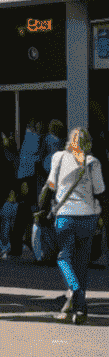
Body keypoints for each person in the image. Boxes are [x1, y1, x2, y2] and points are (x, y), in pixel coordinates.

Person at [42, 127, 105, 323]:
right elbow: (100, 190)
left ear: (69, 140)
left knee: (63, 258)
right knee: (82, 264)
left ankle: (75, 291)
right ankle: (80, 309)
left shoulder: (58, 157)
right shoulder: (92, 161)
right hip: (88, 216)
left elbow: (50, 185)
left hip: (65, 216)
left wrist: (43, 207)